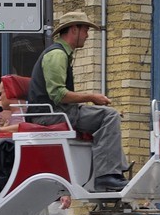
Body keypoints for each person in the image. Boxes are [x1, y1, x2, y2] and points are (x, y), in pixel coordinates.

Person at [29, 11, 130, 192]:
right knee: (109, 116)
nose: (87, 35)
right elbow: (58, 95)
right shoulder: (56, 55)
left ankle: (116, 170)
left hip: (55, 112)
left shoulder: (61, 54)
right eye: (85, 30)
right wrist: (92, 97)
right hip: (50, 115)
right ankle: (107, 176)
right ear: (74, 30)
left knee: (108, 117)